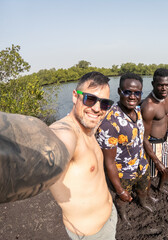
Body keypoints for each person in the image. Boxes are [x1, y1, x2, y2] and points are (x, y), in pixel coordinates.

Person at [0, 71, 118, 239]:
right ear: (75, 96)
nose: (97, 108)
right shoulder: (65, 132)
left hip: (109, 217)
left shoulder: (89, 126)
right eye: (90, 99)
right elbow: (51, 149)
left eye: (105, 103)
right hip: (92, 234)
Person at [96, 73, 155, 227]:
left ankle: (142, 202)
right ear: (119, 91)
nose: (132, 96)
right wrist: (119, 190)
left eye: (137, 93)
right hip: (123, 172)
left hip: (141, 164)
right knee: (122, 199)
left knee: (143, 189)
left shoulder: (138, 111)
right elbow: (108, 161)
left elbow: (141, 138)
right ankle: (122, 214)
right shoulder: (110, 122)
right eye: (127, 91)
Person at [141, 68, 168, 196]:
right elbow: (144, 138)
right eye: (160, 85)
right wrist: (156, 160)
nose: (164, 88)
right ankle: (147, 194)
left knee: (166, 169)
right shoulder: (149, 106)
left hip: (165, 140)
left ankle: (160, 188)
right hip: (152, 144)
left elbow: (163, 117)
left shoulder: (166, 98)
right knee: (150, 174)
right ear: (153, 84)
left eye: (167, 85)